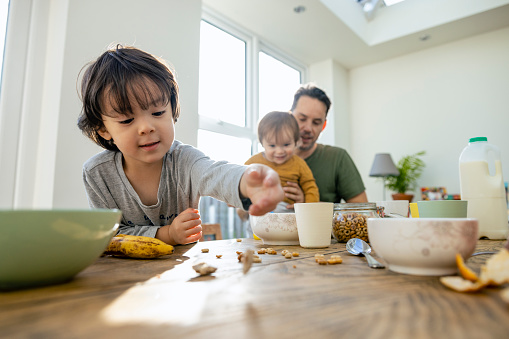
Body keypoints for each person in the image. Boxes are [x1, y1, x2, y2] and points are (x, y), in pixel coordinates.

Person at [77, 45, 283, 246]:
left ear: (172, 110)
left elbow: (214, 173)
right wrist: (167, 234)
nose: (146, 128)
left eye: (158, 113)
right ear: (103, 129)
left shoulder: (184, 160)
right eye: (127, 120)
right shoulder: (97, 173)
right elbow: (110, 234)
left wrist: (247, 182)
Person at [284, 83, 368, 206]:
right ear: (289, 117)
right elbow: (245, 212)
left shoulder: (337, 158)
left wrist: (307, 205)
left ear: (323, 126)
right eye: (302, 119)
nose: (308, 128)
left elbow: (363, 211)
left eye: (316, 122)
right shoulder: (267, 158)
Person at [245, 111, 319, 212]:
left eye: (286, 145)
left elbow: (310, 187)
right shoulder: (253, 162)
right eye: (272, 146)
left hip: (288, 211)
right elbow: (240, 180)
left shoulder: (299, 164)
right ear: (262, 143)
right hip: (260, 209)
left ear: (296, 142)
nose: (279, 151)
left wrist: (308, 208)